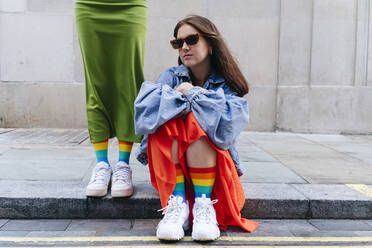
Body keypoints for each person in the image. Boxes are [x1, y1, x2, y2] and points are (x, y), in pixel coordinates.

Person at [134, 15, 259, 241]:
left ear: (210, 44)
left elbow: (227, 129)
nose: (184, 47)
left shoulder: (228, 83)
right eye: (178, 43)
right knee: (167, 117)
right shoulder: (171, 77)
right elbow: (144, 111)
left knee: (196, 119)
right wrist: (176, 97)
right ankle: (179, 207)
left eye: (191, 39)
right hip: (175, 175)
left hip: (215, 180)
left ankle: (203, 207)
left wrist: (192, 93)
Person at [75, 0, 147, 197]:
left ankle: (123, 164)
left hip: (130, 6)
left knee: (128, 82)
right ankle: (102, 165)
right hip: (89, 5)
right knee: (95, 82)